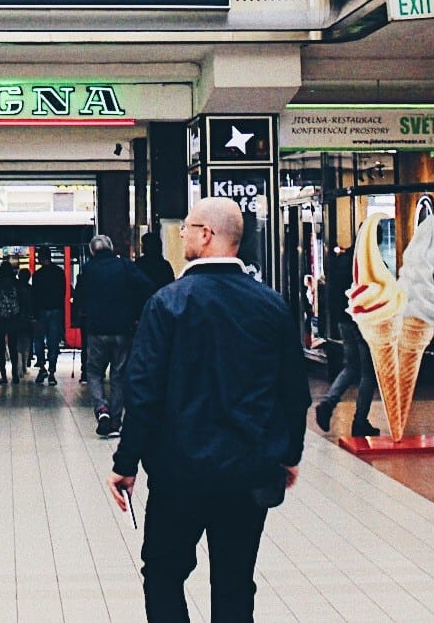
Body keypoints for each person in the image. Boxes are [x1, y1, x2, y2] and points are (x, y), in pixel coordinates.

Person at [106, 198, 307, 623]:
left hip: (179, 473)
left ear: (206, 234)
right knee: (235, 582)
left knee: (163, 574)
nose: (182, 234)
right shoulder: (271, 305)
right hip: (249, 471)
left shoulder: (167, 304)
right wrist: (289, 455)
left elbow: (143, 393)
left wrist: (126, 463)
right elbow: (293, 392)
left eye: (188, 227)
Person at [76, 234, 153, 437]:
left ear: (92, 251)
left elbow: (80, 297)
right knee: (119, 375)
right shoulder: (125, 266)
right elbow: (146, 286)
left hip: (96, 330)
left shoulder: (87, 270)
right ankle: (115, 422)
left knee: (94, 372)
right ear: (111, 248)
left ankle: (102, 409)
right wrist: (135, 311)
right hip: (122, 329)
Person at [312, 315, 381, 439]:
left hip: (344, 319)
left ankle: (327, 403)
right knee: (368, 373)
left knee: (351, 367)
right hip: (363, 320)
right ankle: (360, 421)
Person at [0, 258, 33, 385]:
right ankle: (15, 375)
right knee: (13, 346)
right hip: (14, 319)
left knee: (1, 348)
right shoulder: (17, 283)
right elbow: (23, 301)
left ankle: (4, 376)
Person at [31, 247, 68, 385]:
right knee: (53, 342)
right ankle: (52, 372)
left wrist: (34, 316)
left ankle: (42, 367)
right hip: (56, 310)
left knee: (38, 341)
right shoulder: (59, 272)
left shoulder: (37, 275)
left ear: (40, 258)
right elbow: (63, 292)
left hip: (41, 311)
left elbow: (34, 296)